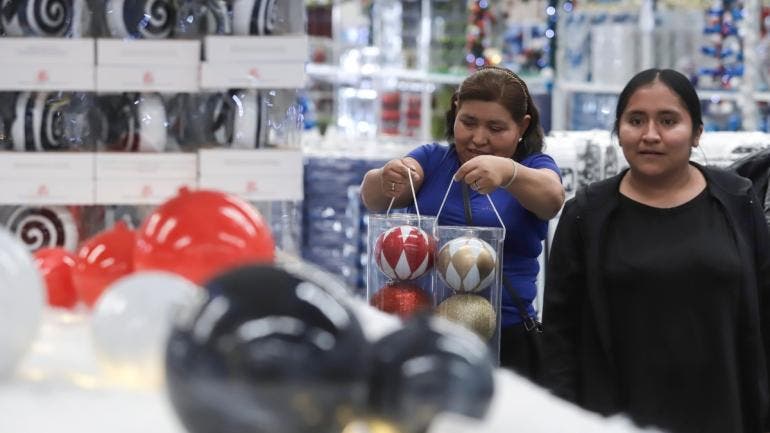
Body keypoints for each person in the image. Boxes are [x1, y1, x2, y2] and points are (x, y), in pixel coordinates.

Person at [541, 68, 770, 433]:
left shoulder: (737, 200)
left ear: (696, 133)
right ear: (619, 131)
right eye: (636, 120)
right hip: (616, 418)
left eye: (668, 121)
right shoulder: (587, 213)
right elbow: (559, 335)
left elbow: (763, 311)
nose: (650, 135)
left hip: (724, 413)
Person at [360, 66, 565, 378]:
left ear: (522, 126)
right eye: (468, 122)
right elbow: (374, 197)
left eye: (496, 128)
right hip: (427, 336)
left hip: (505, 338)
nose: (478, 139)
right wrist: (390, 175)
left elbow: (552, 198)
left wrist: (509, 173)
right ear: (455, 109)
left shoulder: (535, 166)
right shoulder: (433, 159)